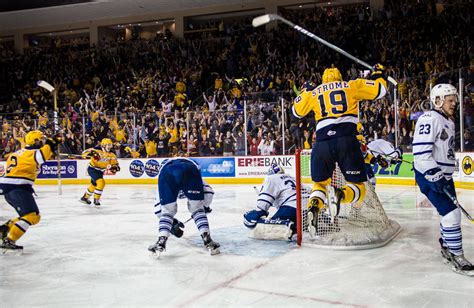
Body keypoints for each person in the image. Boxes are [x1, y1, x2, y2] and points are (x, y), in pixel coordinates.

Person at [292, 65, 388, 225]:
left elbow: (296, 111)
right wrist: (379, 74)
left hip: (321, 145)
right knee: (359, 187)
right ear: (340, 77)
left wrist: (305, 91)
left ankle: (314, 206)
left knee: (320, 184)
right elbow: (381, 89)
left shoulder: (314, 93)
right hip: (346, 140)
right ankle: (338, 196)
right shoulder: (351, 85)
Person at [413, 83, 473, 276]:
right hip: (430, 176)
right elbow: (421, 154)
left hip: (444, 177)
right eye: (450, 100)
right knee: (451, 215)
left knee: (448, 214)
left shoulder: (448, 120)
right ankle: (457, 256)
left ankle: (447, 247)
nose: (454, 103)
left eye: (455, 99)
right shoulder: (429, 118)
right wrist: (434, 175)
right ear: (437, 101)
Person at [0, 130, 61, 253]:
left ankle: (6, 228)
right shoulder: (32, 152)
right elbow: (41, 157)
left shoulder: (18, 153)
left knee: (34, 216)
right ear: (35, 141)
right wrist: (50, 143)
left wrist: (51, 146)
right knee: (31, 215)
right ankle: (10, 240)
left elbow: (41, 157)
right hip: (17, 188)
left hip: (12, 187)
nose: (43, 142)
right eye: (41, 140)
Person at [148, 158, 220, 256]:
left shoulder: (163, 176)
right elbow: (209, 192)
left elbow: (158, 211)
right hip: (190, 169)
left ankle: (161, 242)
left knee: (167, 211)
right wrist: (204, 207)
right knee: (197, 209)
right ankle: (207, 240)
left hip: (167, 172)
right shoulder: (191, 168)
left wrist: (171, 224)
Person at [243, 164, 305, 241]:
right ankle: (308, 223)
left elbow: (262, 205)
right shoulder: (294, 178)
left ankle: (291, 228)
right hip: (309, 208)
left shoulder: (271, 178)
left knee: (263, 228)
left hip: (292, 209)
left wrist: (257, 214)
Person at [79, 138, 120, 206]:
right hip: (92, 169)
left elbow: (116, 166)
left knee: (94, 185)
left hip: (100, 171)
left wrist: (114, 168)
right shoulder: (96, 150)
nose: (110, 147)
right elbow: (83, 154)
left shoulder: (112, 155)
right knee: (101, 182)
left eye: (110, 145)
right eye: (108, 145)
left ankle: (85, 198)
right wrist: (93, 154)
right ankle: (96, 199)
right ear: (103, 145)